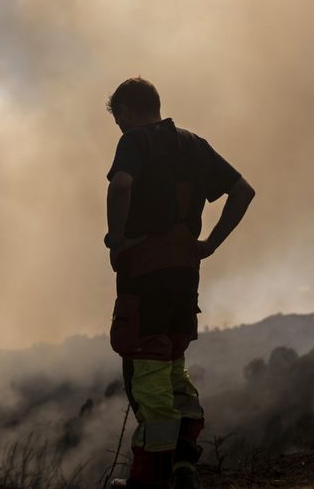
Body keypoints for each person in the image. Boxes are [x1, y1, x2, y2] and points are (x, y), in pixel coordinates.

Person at [104, 77, 255, 489]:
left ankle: (151, 478)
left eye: (117, 117)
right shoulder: (195, 144)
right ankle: (184, 461)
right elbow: (243, 191)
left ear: (126, 112)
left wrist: (116, 240)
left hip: (145, 272)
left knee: (147, 369)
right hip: (187, 274)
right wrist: (209, 244)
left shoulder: (135, 141)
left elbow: (120, 186)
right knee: (172, 363)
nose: (118, 126)